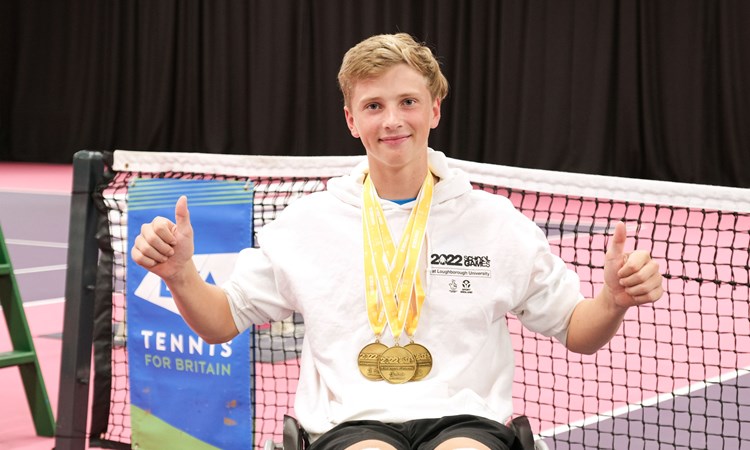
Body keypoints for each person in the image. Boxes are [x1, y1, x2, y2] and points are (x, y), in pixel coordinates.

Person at [131, 33, 664, 450]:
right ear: (350, 119)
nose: (392, 120)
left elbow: (577, 330)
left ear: (434, 110)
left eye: (408, 101)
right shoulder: (308, 223)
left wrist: (612, 301)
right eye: (373, 106)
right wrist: (180, 275)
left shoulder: (497, 223)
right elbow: (222, 320)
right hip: (349, 425)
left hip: (467, 424)